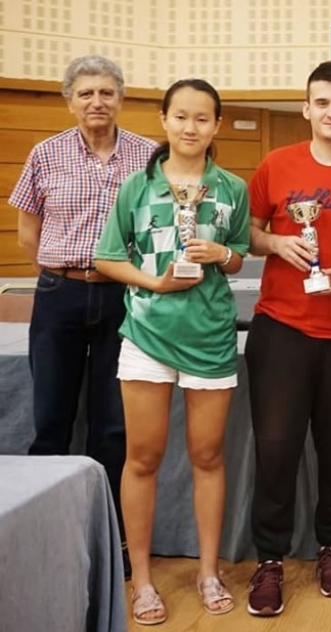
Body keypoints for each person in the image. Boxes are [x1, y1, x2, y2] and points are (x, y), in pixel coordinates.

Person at [94, 78, 250, 625]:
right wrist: (153, 283)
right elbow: (108, 257)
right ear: (163, 119)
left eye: (202, 118)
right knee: (143, 458)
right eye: (181, 116)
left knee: (208, 457)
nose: (191, 127)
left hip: (209, 338)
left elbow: (239, 257)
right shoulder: (136, 186)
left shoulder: (231, 186)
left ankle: (209, 571)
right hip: (147, 337)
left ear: (216, 126)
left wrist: (221, 252)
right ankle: (141, 579)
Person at [9, 55, 157, 577]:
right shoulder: (45, 154)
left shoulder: (146, 156)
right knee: (50, 419)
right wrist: (65, 274)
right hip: (59, 294)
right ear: (69, 99)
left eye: (107, 92)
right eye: (86, 93)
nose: (97, 102)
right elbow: (29, 234)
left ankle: (110, 537)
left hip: (123, 297)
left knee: (113, 427)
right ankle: (42, 537)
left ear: (121, 97)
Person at [243, 62, 331, 617]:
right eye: (322, 102)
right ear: (307, 108)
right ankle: (269, 559)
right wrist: (275, 243)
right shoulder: (276, 164)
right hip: (282, 330)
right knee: (276, 451)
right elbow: (244, 232)